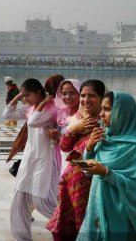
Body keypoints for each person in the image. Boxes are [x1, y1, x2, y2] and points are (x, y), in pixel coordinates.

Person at [77, 91, 136, 241]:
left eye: (108, 109)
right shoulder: (105, 140)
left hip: (119, 215)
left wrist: (106, 172)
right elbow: (89, 173)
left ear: (124, 113)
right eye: (102, 109)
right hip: (95, 210)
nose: (102, 115)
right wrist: (89, 149)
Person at [46, 79, 106, 241]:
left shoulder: (105, 121)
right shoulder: (78, 117)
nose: (85, 100)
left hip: (91, 183)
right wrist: (75, 128)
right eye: (84, 96)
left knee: (86, 226)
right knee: (63, 227)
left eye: (91, 96)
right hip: (70, 181)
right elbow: (65, 146)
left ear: (102, 98)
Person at [3, 78, 59, 241]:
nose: (25, 99)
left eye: (27, 95)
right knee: (19, 199)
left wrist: (41, 104)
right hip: (29, 159)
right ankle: (22, 237)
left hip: (44, 160)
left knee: (41, 200)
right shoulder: (29, 107)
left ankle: (68, 226)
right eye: (23, 95)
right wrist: (17, 97)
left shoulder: (52, 109)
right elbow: (7, 114)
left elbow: (34, 122)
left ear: (39, 93)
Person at [50, 79, 82, 176]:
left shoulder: (83, 116)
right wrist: (55, 136)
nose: (67, 97)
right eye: (64, 93)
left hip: (78, 163)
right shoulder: (62, 114)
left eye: (72, 93)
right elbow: (60, 140)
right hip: (62, 159)